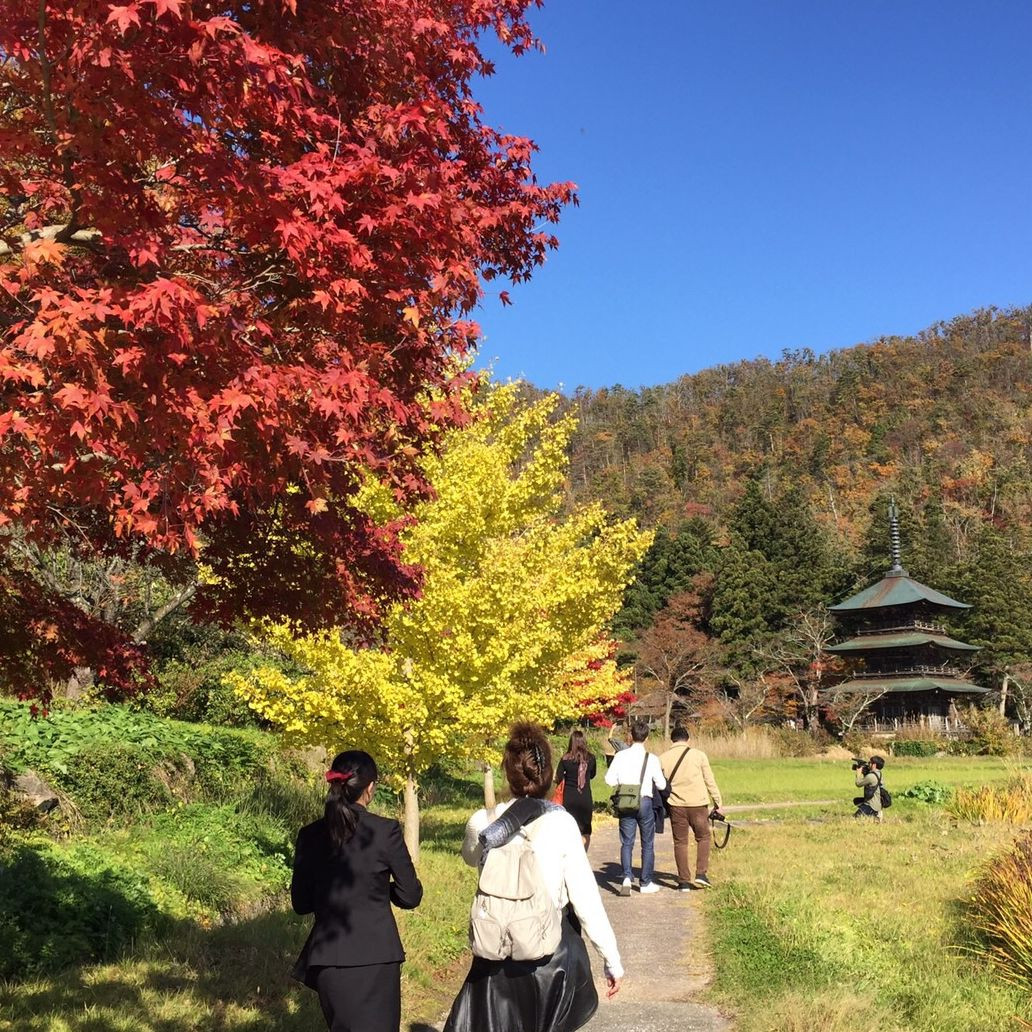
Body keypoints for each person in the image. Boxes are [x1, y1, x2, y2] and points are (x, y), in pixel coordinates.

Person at [445, 722, 623, 1032]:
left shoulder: (483, 822)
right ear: (547, 775)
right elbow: (585, 899)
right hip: (549, 959)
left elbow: (469, 857)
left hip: (495, 953)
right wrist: (611, 959)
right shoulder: (562, 824)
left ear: (508, 773)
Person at [291, 750, 423, 1032]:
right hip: (376, 958)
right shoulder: (384, 831)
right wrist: (377, 890)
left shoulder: (309, 835)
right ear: (371, 787)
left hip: (327, 959)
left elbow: (301, 903)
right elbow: (411, 896)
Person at [604, 718, 666, 895]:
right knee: (647, 843)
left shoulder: (621, 756)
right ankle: (645, 882)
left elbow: (609, 780)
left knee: (626, 842)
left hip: (625, 800)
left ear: (630, 736)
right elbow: (661, 785)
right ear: (646, 738)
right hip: (645, 801)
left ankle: (626, 877)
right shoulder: (652, 759)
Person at [659, 726, 723, 890]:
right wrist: (718, 802)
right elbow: (709, 780)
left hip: (675, 804)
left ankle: (683, 881)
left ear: (672, 740)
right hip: (698, 804)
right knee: (703, 837)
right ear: (688, 739)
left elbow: (660, 784)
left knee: (680, 842)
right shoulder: (699, 755)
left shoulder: (663, 758)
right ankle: (701, 873)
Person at [556, 730, 597, 849]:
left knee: (569, 828)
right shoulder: (591, 758)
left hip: (569, 798)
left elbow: (558, 777)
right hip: (585, 798)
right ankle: (583, 855)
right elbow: (593, 775)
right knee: (585, 830)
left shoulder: (565, 759)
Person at [854, 754, 886, 821]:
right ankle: (876, 814)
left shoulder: (871, 776)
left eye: (869, 763)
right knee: (856, 801)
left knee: (855, 819)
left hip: (870, 805)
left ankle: (874, 815)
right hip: (878, 805)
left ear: (874, 765)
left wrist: (858, 773)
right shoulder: (879, 774)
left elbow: (858, 783)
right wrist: (865, 772)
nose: (868, 764)